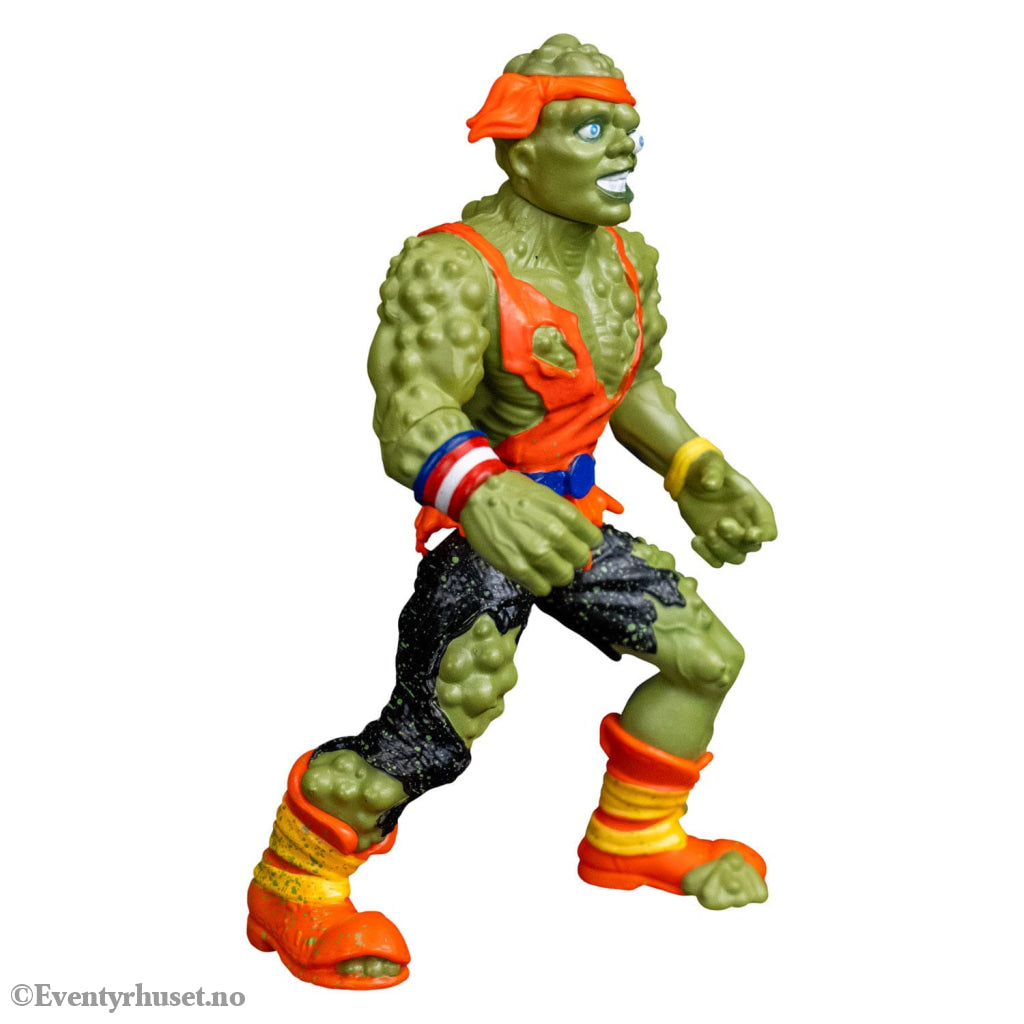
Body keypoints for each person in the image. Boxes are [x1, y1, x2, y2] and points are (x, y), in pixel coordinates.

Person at [246, 33, 778, 990]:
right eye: (590, 129)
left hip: (571, 523)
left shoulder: (625, 262)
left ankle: (636, 833)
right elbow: (413, 411)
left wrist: (694, 465)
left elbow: (630, 384)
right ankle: (295, 882)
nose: (623, 148)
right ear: (519, 150)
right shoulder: (453, 269)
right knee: (437, 729)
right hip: (489, 531)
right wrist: (483, 490)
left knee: (706, 658)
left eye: (628, 130)